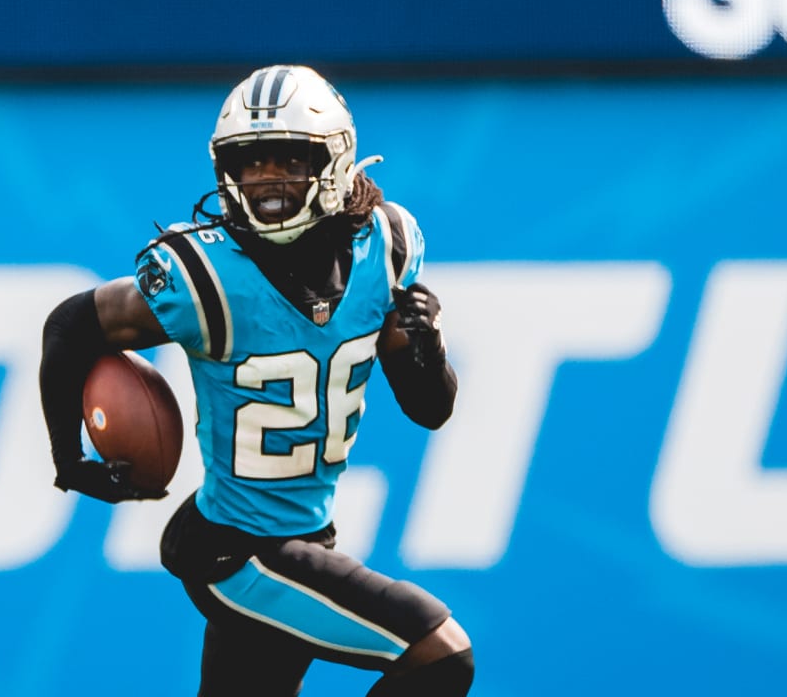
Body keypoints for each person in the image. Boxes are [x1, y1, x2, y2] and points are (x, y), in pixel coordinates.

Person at [40, 64, 473, 696]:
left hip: (305, 538)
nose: (265, 179)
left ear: (334, 160)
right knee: (439, 652)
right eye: (249, 162)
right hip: (239, 552)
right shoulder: (207, 278)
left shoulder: (385, 246)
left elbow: (430, 409)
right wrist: (67, 457)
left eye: (287, 160)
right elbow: (70, 325)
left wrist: (427, 351)